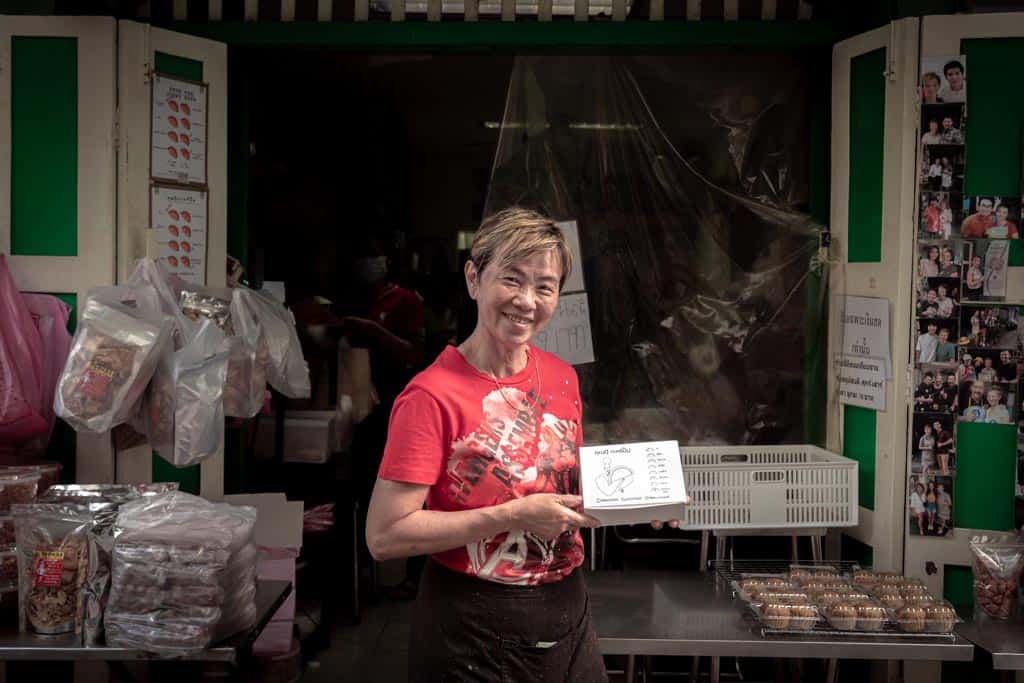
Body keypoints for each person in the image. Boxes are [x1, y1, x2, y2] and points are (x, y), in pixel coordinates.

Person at [367, 208, 648, 683]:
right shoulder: (431, 396)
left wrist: (641, 496)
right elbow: (385, 536)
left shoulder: (561, 376)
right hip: (472, 622)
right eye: (511, 279)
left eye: (545, 286)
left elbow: (567, 486)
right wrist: (513, 515)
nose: (526, 300)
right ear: (474, 278)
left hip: (566, 608)